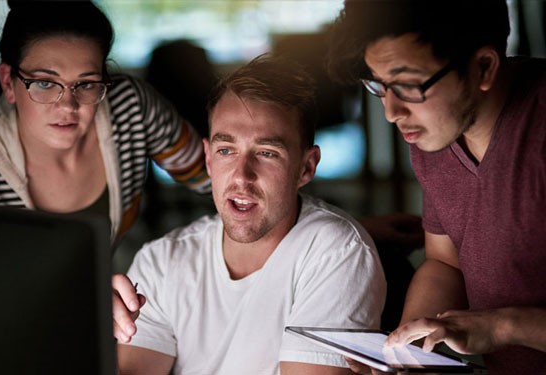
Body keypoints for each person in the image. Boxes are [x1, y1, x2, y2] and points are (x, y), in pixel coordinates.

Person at [112, 53, 387, 374]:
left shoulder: (336, 251)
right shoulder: (160, 261)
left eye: (267, 153)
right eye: (226, 150)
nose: (242, 176)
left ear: (306, 166)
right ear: (209, 160)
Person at [326, 0, 546, 374]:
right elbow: (445, 263)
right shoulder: (435, 137)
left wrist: (502, 325)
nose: (391, 112)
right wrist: (404, 354)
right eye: (379, 85)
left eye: (409, 86)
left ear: (483, 67)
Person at [0, 0, 210, 245]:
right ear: (8, 83)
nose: (67, 105)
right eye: (45, 83)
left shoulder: (130, 107)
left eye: (86, 83)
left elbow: (215, 176)